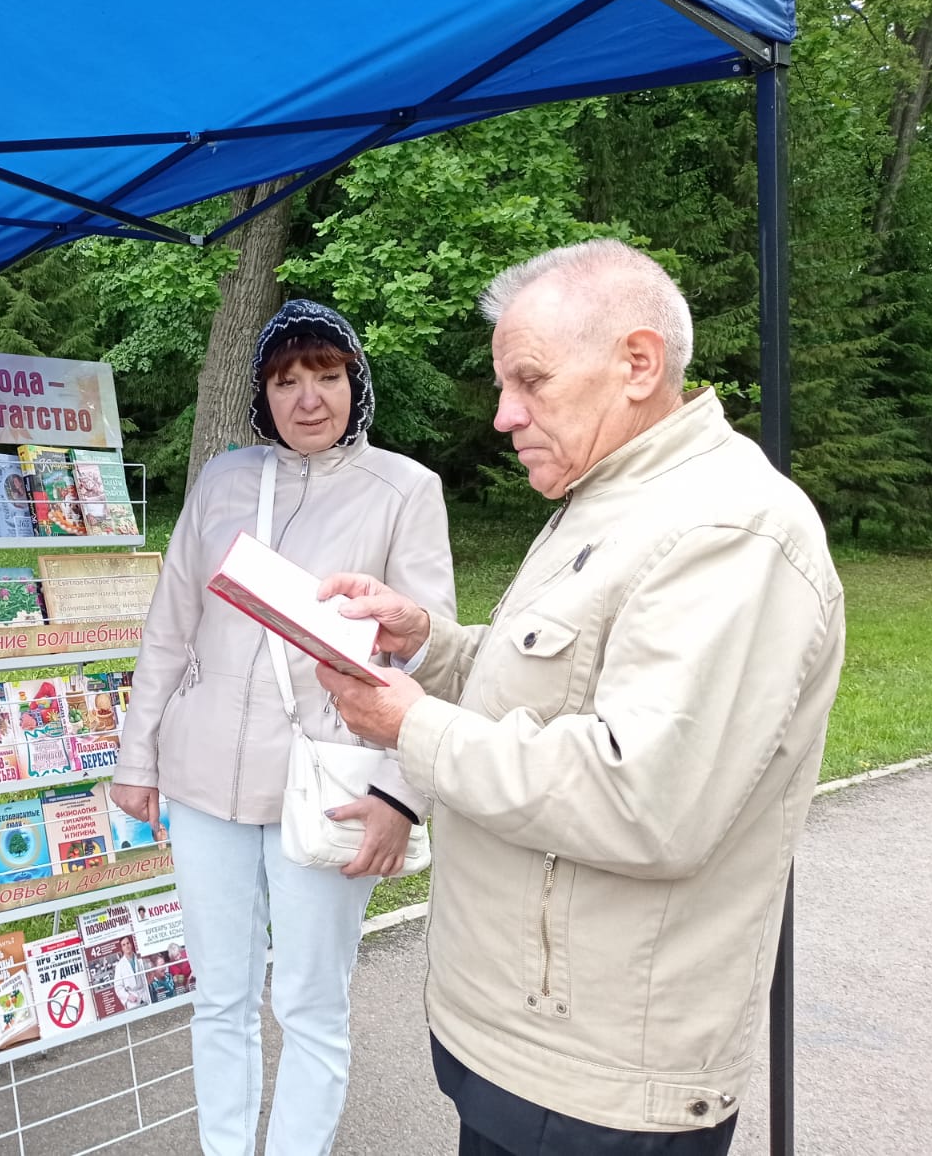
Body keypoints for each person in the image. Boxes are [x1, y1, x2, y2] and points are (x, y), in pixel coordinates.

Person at [315, 240, 846, 1156]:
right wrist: (430, 643)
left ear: (637, 364)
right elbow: (560, 681)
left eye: (530, 380)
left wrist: (411, 725)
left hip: (601, 1081)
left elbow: (644, 797)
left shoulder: (730, 525)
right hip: (523, 1043)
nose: (503, 415)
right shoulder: (614, 494)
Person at [113, 300, 456, 1156]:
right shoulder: (223, 481)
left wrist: (399, 795)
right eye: (286, 379)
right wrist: (137, 756)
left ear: (356, 382)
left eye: (328, 375)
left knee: (309, 1002)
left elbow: (431, 655)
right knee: (219, 995)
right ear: (262, 394)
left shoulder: (405, 490)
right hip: (201, 782)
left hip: (331, 786)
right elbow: (170, 624)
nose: (309, 398)